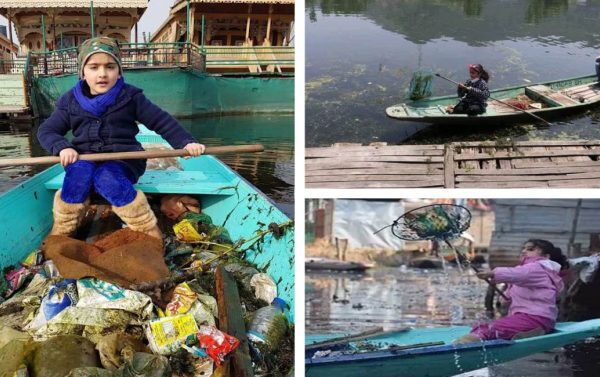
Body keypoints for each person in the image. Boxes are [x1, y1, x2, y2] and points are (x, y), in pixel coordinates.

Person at [37, 37, 205, 243]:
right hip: (84, 158)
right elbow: (47, 131)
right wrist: (62, 147)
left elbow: (161, 121)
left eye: (110, 66)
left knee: (107, 179)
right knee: (78, 175)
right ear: (83, 72)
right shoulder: (70, 101)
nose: (102, 73)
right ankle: (63, 227)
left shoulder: (131, 97)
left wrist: (186, 143)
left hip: (125, 159)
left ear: (119, 71)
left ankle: (148, 229)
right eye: (93, 67)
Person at [455, 239, 568, 344]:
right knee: (483, 328)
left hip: (534, 319)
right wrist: (507, 299)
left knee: (488, 330)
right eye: (523, 249)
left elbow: (516, 273)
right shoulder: (531, 270)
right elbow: (516, 284)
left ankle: (460, 346)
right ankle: (526, 332)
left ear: (545, 256)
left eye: (530, 249)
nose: (524, 251)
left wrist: (492, 273)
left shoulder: (538, 267)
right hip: (534, 319)